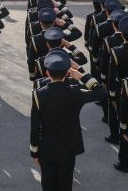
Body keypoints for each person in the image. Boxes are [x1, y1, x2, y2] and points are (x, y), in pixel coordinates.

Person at [30, 50, 107, 191]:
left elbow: (35, 126)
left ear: (47, 73)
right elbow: (101, 93)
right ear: (67, 73)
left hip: (47, 148)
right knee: (65, 185)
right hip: (68, 147)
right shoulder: (75, 92)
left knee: (48, 185)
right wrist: (83, 76)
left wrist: (34, 151)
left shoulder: (38, 94)